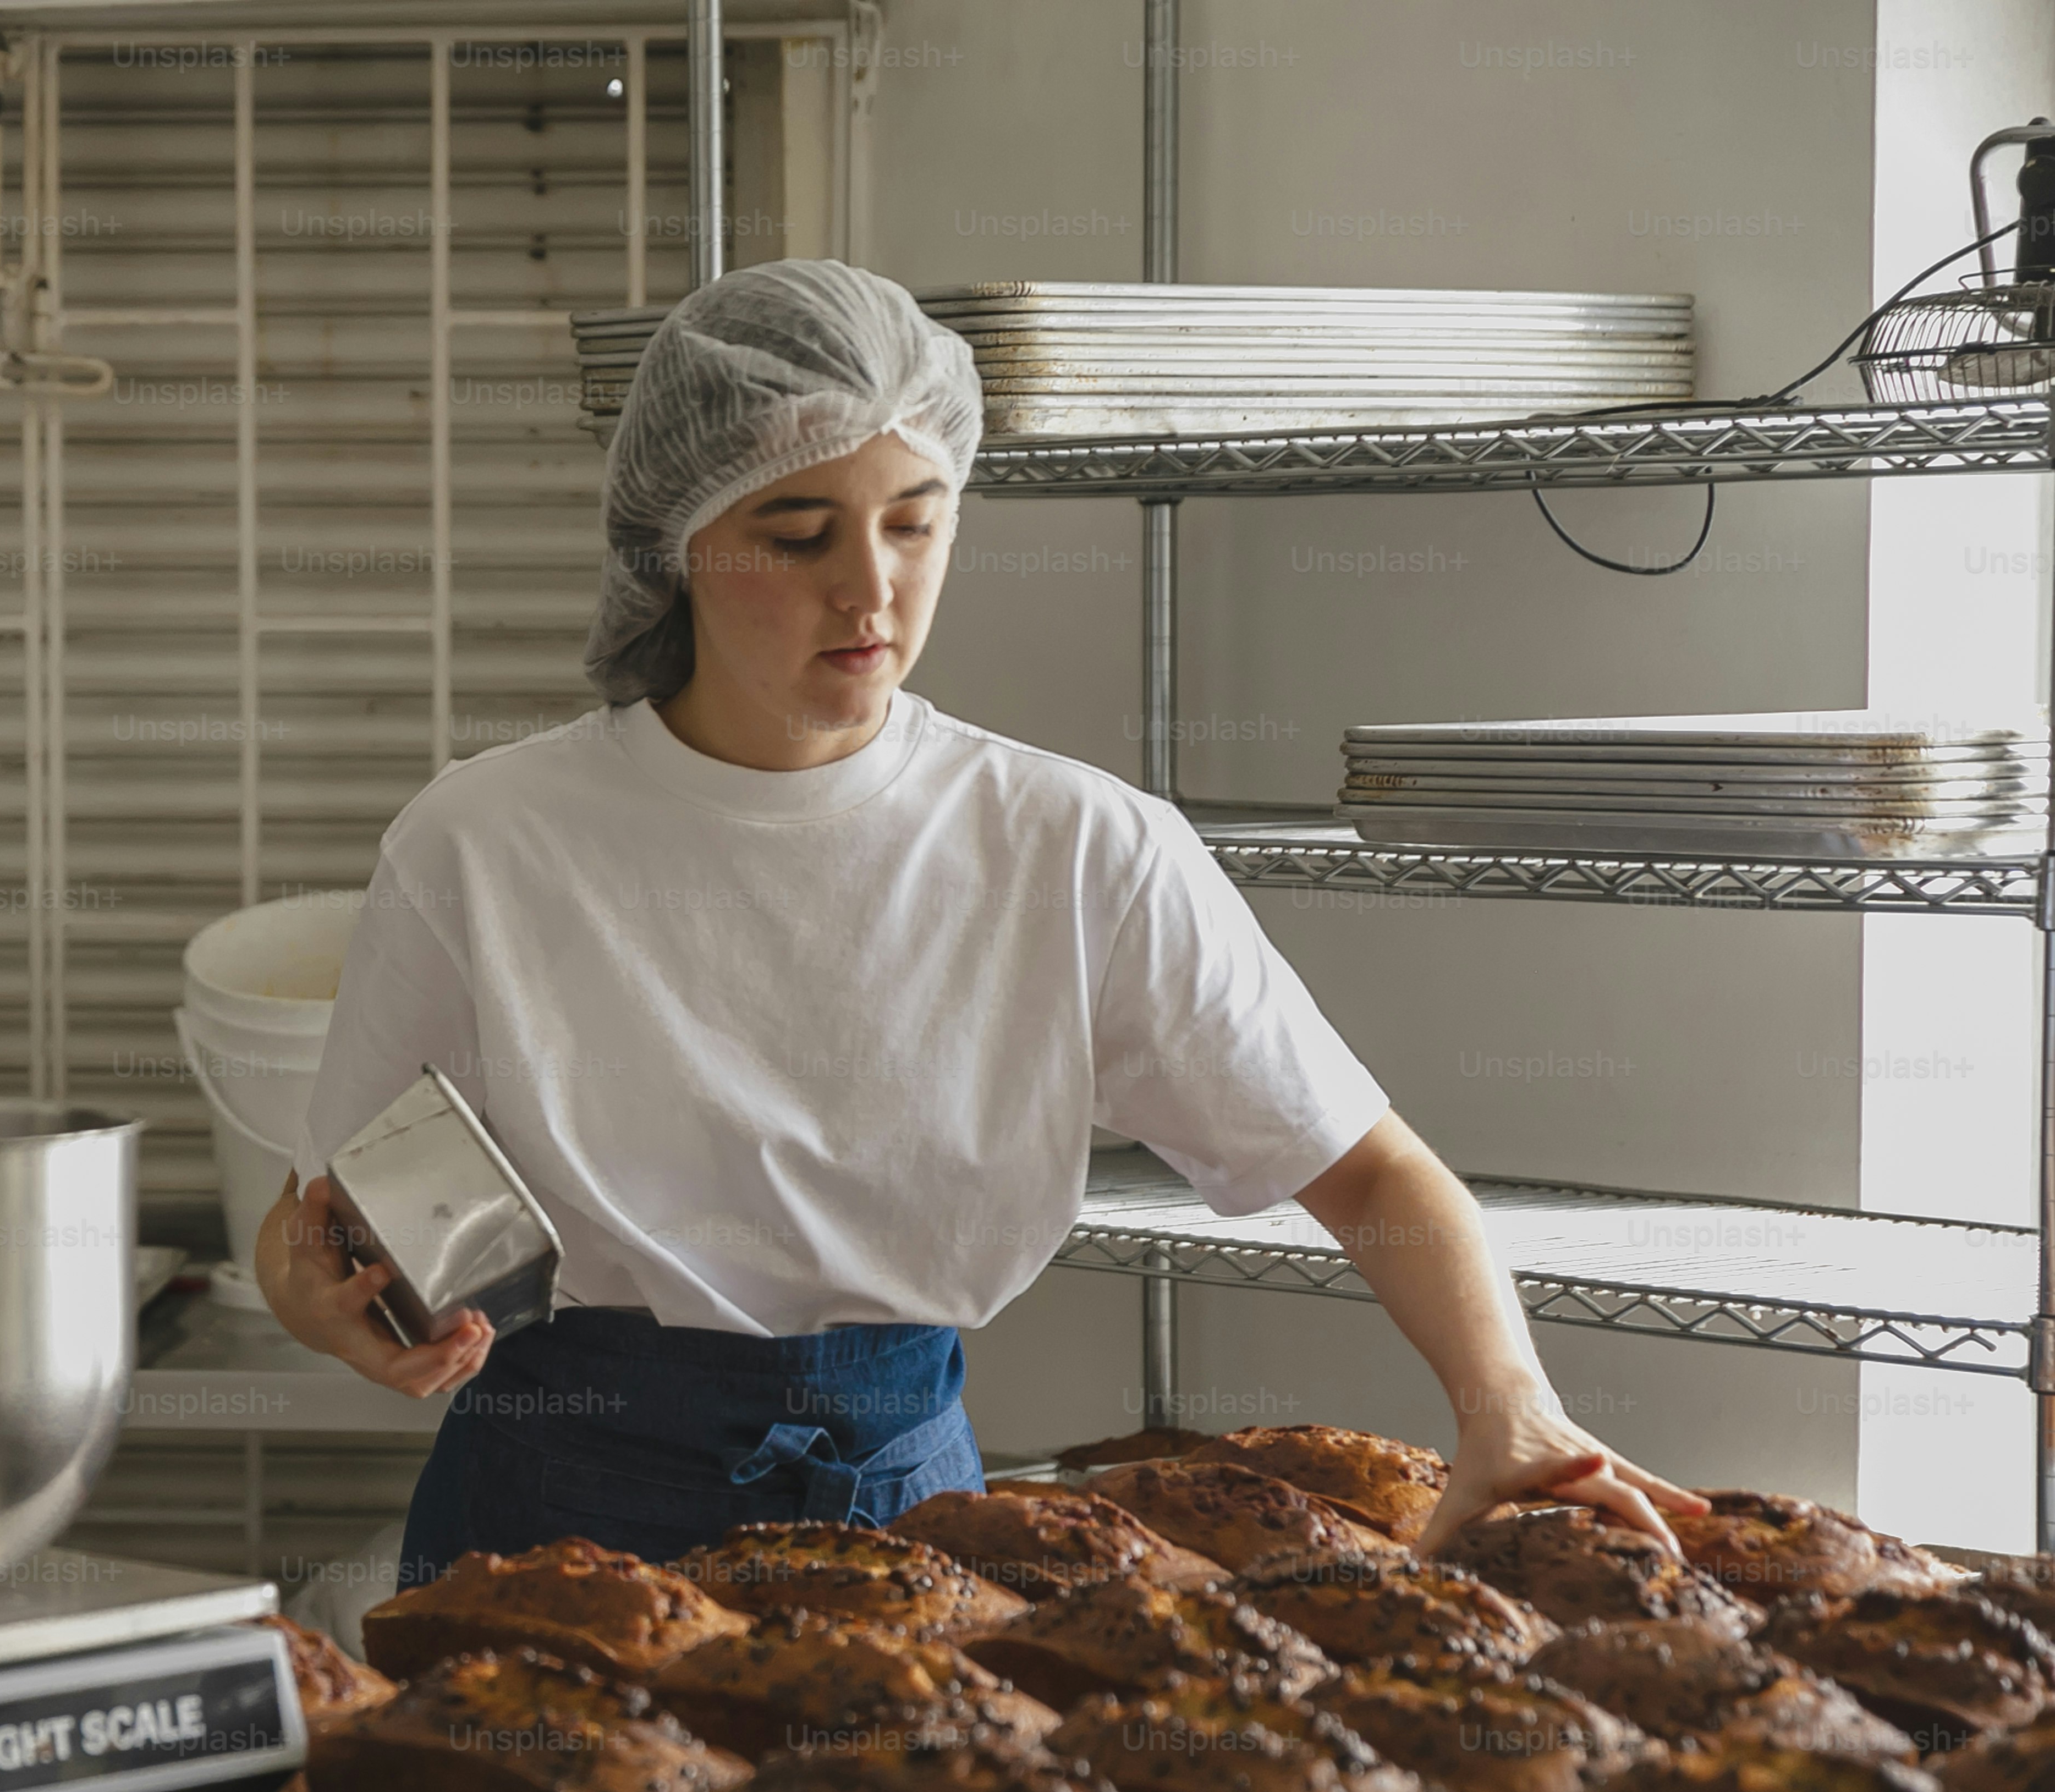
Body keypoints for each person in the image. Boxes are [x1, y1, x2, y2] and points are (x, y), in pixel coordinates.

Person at [254, 259, 1701, 1587]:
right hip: (553, 1533)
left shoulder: (1075, 850)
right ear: (675, 543)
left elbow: (1369, 1166)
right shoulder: (488, 842)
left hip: (908, 1524)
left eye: (913, 522)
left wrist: (1509, 1404)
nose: (869, 587)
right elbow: (330, 1219)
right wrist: (317, 1297)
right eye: (799, 530)